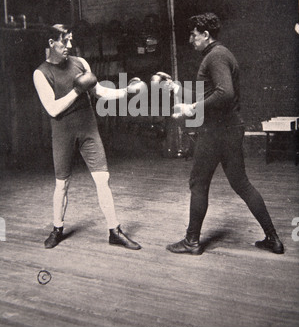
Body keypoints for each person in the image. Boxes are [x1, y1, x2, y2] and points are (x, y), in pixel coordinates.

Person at [164, 13, 284, 255]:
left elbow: (225, 93)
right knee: (241, 183)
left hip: (217, 132)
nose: (190, 40)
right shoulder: (220, 54)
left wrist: (191, 108)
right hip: (228, 129)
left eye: (194, 35)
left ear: (206, 35)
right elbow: (211, 93)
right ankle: (273, 238)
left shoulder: (216, 56)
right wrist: (178, 88)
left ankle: (191, 241)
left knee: (198, 183)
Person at [33, 24, 141, 250]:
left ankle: (115, 231)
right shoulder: (41, 73)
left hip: (88, 129)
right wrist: (76, 90)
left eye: (71, 40)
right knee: (62, 184)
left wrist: (125, 92)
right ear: (52, 43)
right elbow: (52, 109)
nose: (69, 46)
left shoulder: (80, 63)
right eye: (65, 41)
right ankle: (57, 229)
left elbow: (99, 91)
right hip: (63, 133)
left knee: (103, 179)